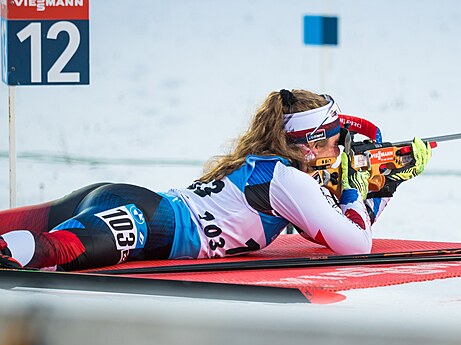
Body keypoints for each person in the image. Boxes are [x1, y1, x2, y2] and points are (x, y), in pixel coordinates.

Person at [0, 89, 431, 271]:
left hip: (131, 201)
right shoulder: (291, 182)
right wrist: (357, 186)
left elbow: (336, 231)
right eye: (337, 142)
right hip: (152, 223)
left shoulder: (265, 162)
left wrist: (384, 186)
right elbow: (355, 244)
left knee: (20, 229)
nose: (341, 151)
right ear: (311, 144)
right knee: (50, 251)